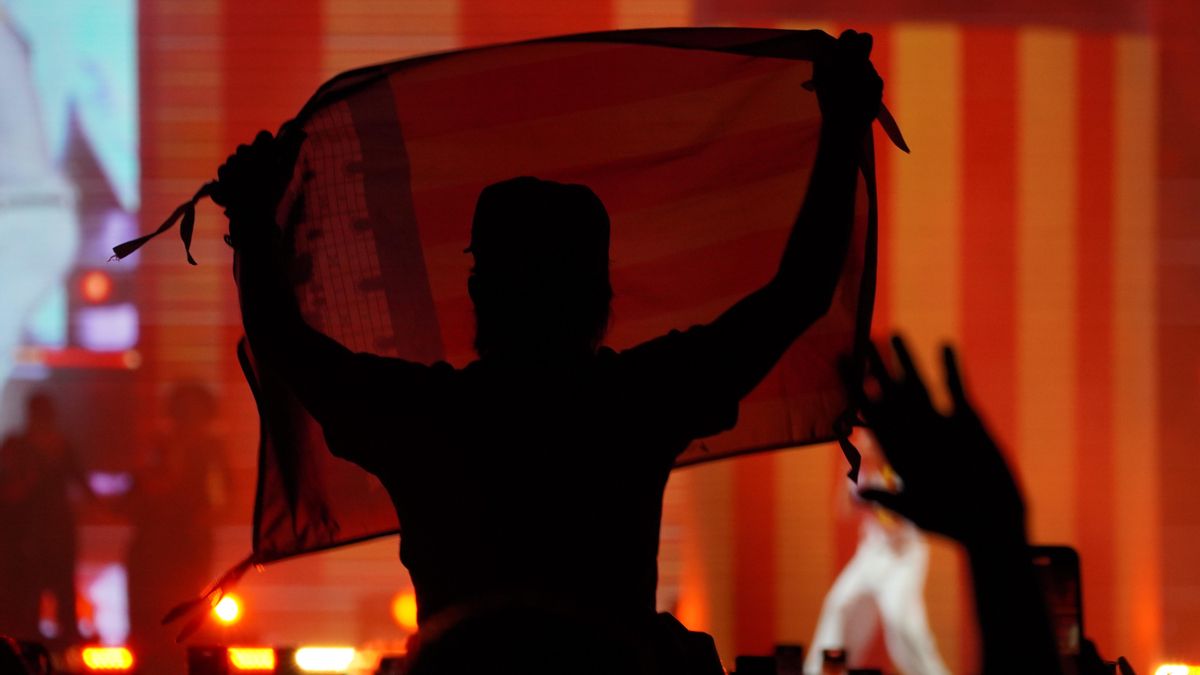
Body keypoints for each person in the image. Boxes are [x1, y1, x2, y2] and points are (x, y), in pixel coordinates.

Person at [216, 30, 882, 672]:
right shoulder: (634, 404)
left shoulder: (423, 419)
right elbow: (799, 291)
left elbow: (286, 346)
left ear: (480, 290)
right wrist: (843, 125)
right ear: (602, 293)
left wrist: (253, 221)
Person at [846, 336, 1063, 674]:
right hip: (876, 550)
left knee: (907, 630)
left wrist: (993, 530)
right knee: (842, 611)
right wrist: (997, 525)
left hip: (901, 553)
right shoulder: (863, 460)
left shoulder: (891, 465)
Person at [804, 429, 950, 675]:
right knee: (840, 605)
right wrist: (846, 473)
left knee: (902, 621)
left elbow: (897, 522)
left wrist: (874, 496)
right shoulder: (861, 471)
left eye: (870, 440)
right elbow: (843, 511)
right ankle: (820, 671)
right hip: (871, 553)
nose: (865, 445)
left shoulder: (902, 470)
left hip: (903, 556)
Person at [124, 382, 231, 675]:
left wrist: (202, 519)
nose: (187, 419)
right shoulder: (160, 446)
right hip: (155, 546)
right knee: (152, 618)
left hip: (188, 546)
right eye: (183, 412)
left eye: (194, 412)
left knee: (186, 612)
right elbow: (145, 488)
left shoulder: (211, 450)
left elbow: (224, 496)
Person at [0, 392, 89, 647]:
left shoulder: (59, 446)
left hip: (55, 529)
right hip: (28, 531)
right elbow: (9, 489)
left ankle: (63, 641)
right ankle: (31, 642)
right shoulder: (18, 446)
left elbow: (80, 482)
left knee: (60, 586)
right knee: (29, 589)